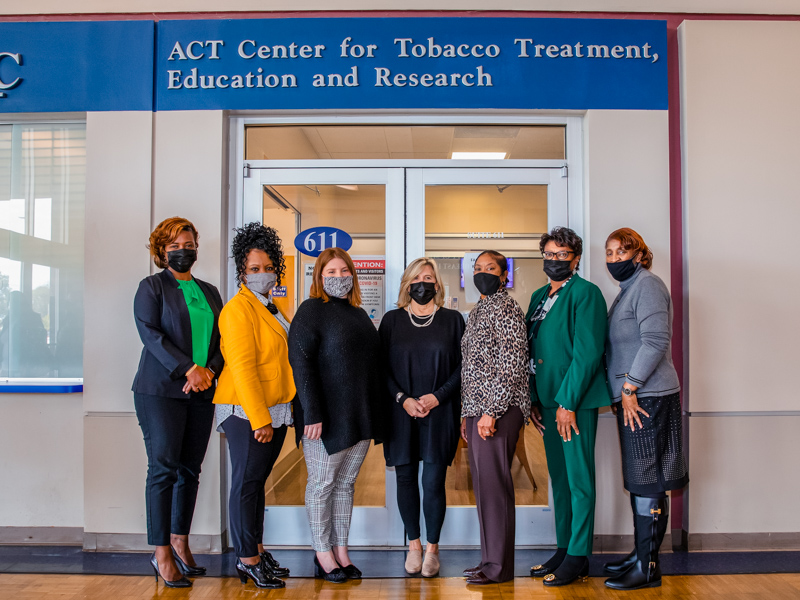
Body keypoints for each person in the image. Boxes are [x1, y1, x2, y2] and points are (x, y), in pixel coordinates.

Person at [132, 217, 223, 588]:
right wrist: (189, 369)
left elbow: (222, 339)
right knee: (163, 469)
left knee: (190, 470)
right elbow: (150, 335)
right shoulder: (151, 288)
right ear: (161, 251)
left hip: (203, 390)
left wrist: (209, 371)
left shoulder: (210, 291)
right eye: (174, 246)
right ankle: (161, 552)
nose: (183, 251)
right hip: (161, 392)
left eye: (188, 244)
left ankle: (180, 541)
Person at [288, 247, 384, 583]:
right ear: (319, 277)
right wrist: (312, 411)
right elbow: (301, 363)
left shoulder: (357, 313)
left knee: (344, 486)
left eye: (344, 272)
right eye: (331, 273)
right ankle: (322, 553)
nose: (339, 278)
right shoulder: (311, 311)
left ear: (353, 276)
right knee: (322, 485)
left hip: (356, 416)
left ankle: (341, 551)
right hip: (323, 419)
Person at [602, 228, 688, 591]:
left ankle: (649, 567)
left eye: (622, 251)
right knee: (640, 481)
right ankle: (640, 555)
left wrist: (629, 386)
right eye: (609, 252)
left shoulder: (648, 285)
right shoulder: (627, 291)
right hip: (635, 398)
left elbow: (655, 341)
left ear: (639, 254)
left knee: (649, 481)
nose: (614, 258)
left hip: (648, 397)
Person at [526, 226, 609, 587]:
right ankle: (563, 549)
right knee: (558, 481)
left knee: (579, 481)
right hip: (545, 403)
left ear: (575, 258)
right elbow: (530, 351)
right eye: (549, 254)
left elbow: (587, 353)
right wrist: (531, 398)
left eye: (562, 255)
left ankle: (578, 555)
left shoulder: (586, 294)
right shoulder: (538, 296)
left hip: (572, 405)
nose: (554, 260)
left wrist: (567, 402)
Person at [214, 223, 295, 589]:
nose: (262, 274)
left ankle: (256, 550)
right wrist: (259, 419)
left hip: (273, 409)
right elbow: (243, 367)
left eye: (267, 268)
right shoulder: (237, 310)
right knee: (246, 484)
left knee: (256, 483)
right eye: (253, 269)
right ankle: (247, 559)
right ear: (241, 273)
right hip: (247, 411)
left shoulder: (270, 307)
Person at [379, 258, 465, 578]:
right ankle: (413, 545)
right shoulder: (391, 321)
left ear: (437, 285)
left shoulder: (453, 320)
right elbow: (381, 369)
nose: (422, 283)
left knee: (432, 481)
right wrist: (403, 399)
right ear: (406, 284)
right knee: (405, 479)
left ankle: (432, 549)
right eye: (417, 278)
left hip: (440, 411)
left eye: (428, 277)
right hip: (401, 412)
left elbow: (463, 366)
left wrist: (437, 396)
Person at [460, 250, 530, 585]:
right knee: (485, 488)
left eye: (490, 268)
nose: (482, 273)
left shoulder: (506, 308)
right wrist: (467, 414)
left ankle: (499, 568)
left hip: (499, 409)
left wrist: (491, 411)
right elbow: (471, 367)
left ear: (504, 274)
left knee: (495, 488)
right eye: (477, 268)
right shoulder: (479, 309)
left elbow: (512, 363)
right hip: (477, 410)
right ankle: (490, 560)